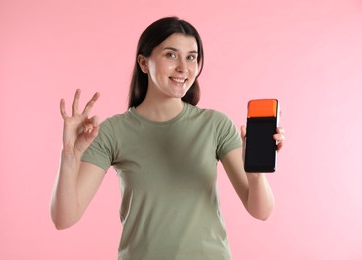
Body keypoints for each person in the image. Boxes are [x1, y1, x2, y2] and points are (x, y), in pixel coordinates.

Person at [50, 16, 285, 260]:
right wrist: (69, 154)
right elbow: (63, 218)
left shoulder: (215, 125)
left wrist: (255, 173)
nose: (183, 67)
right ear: (143, 62)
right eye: (171, 55)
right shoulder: (112, 131)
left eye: (191, 57)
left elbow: (261, 211)